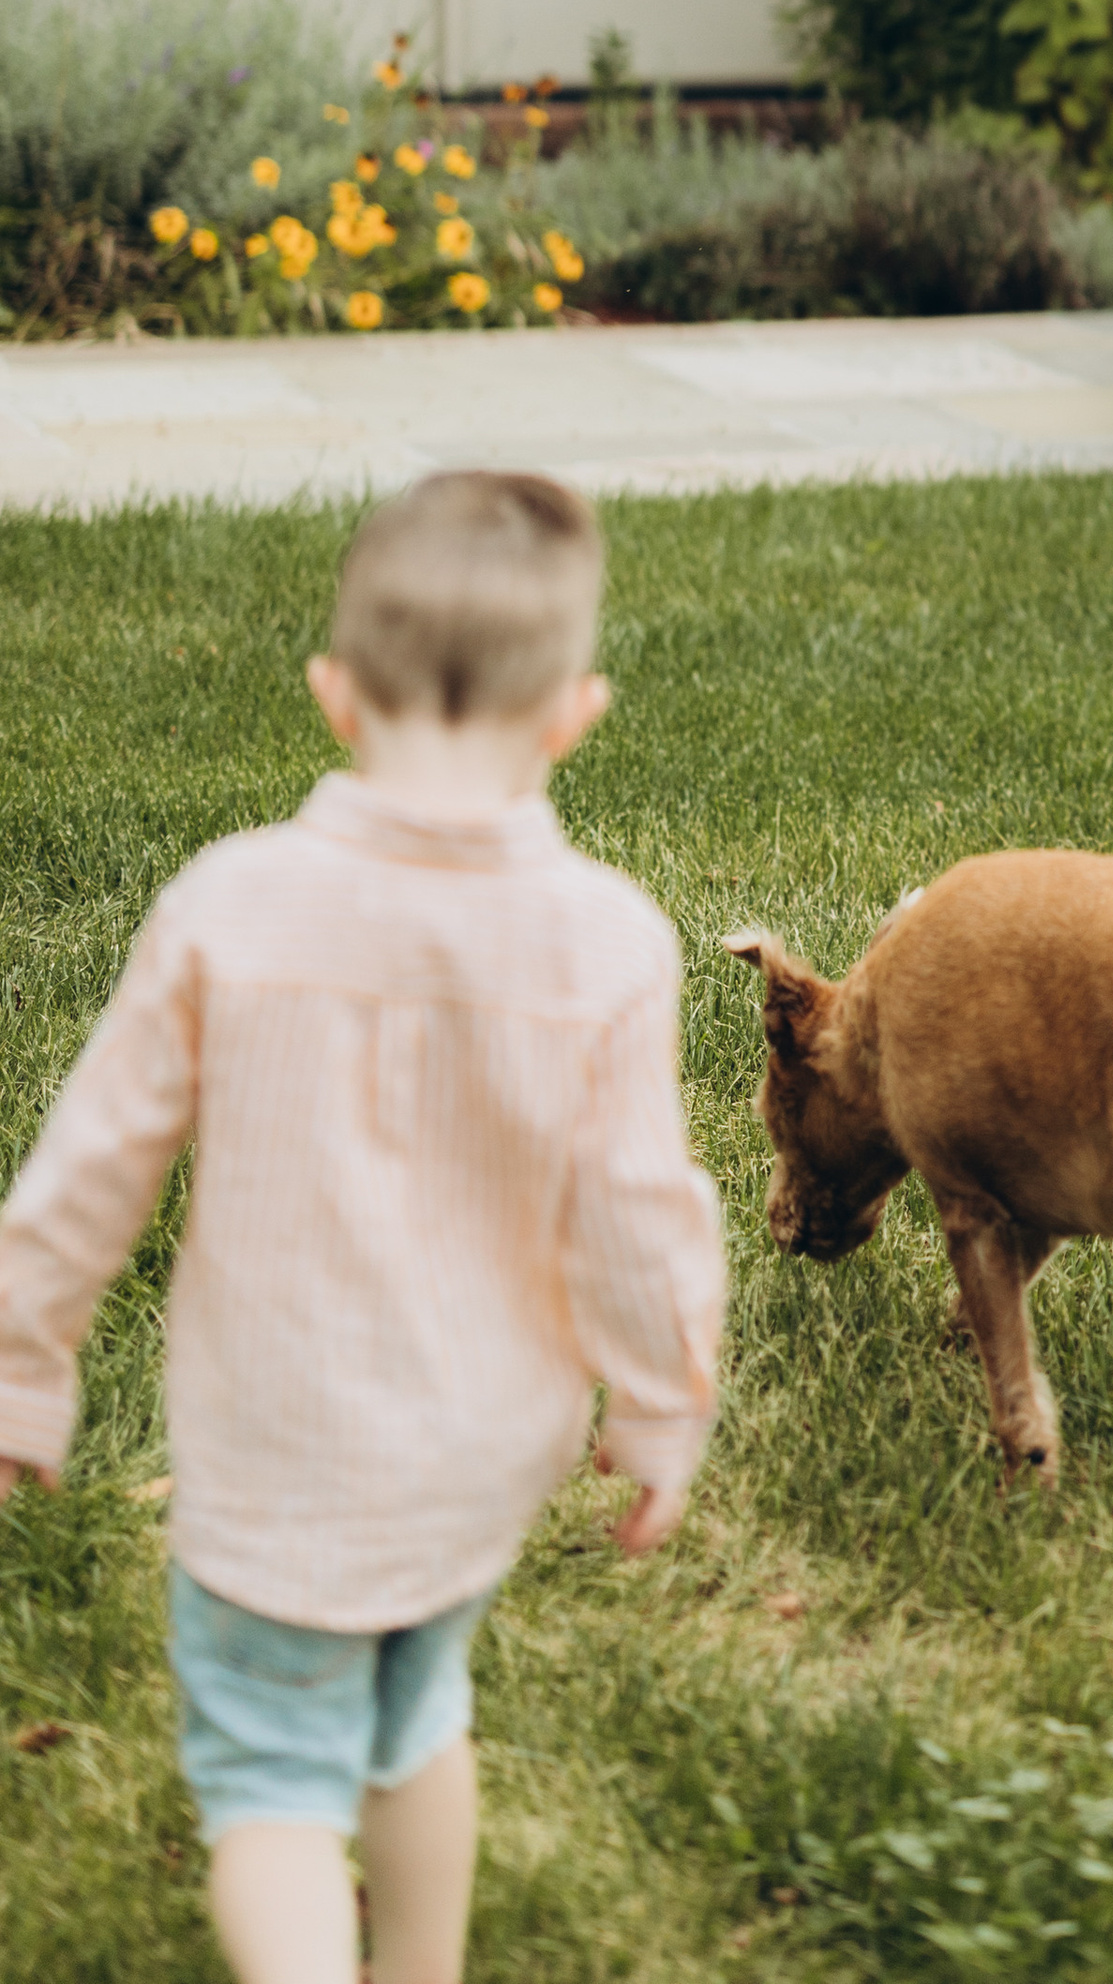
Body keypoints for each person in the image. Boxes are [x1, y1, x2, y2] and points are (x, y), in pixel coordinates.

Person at [0, 471, 726, 1984]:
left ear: (334, 696)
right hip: (473, 1460)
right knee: (418, 1714)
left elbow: (86, 1173)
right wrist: (662, 1405)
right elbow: (642, 1221)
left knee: (272, 1775)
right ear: (572, 715)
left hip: (271, 1460)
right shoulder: (610, 943)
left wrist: (23, 1366)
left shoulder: (229, 905)